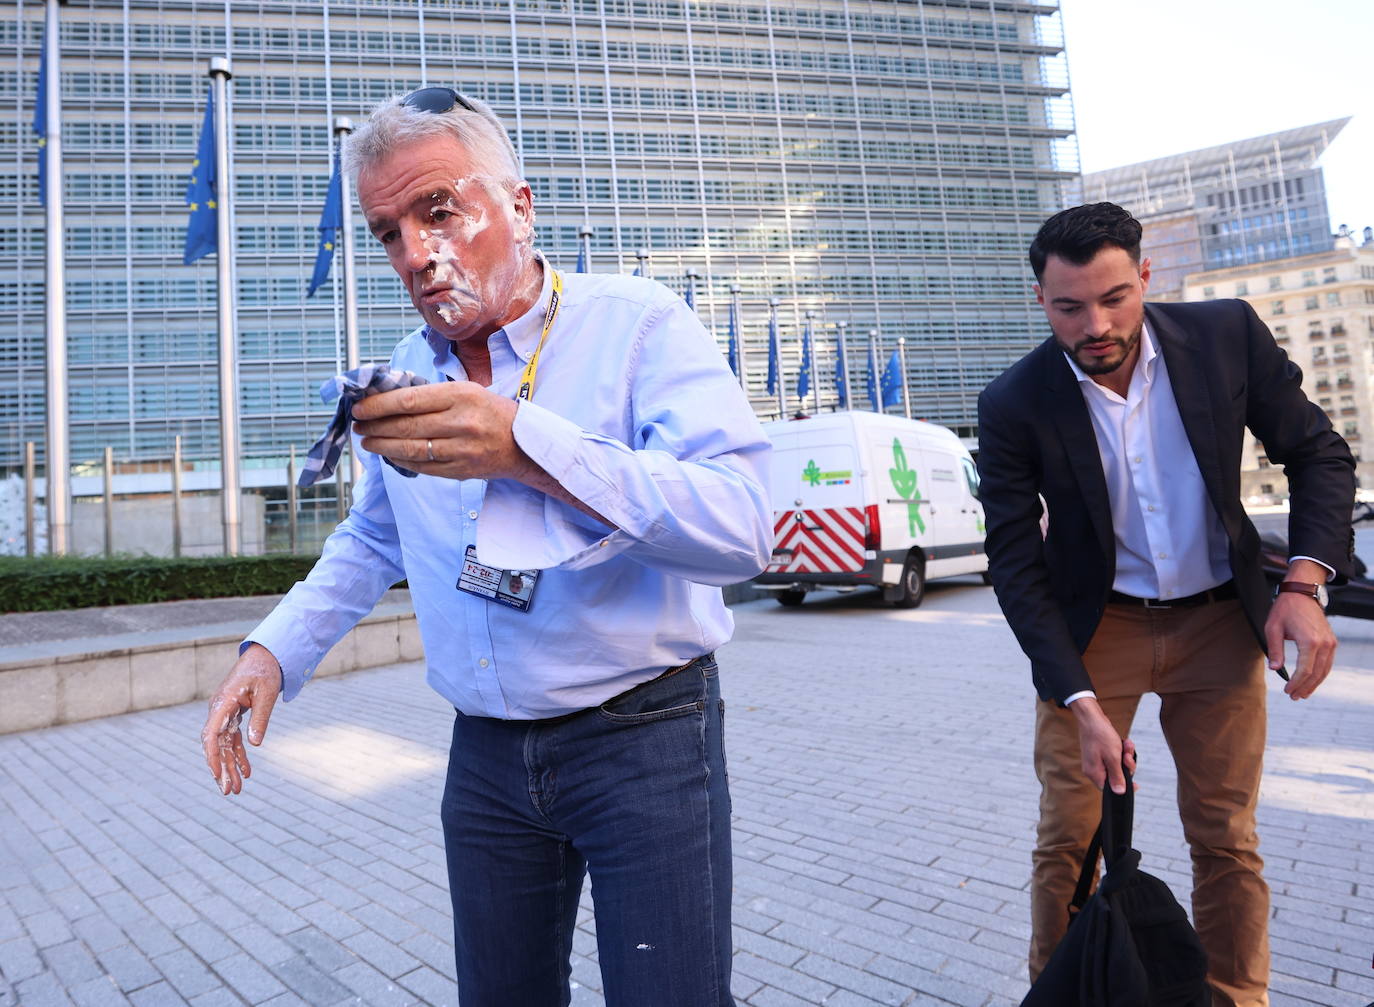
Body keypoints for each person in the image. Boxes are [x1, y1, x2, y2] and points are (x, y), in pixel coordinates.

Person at [199, 87, 771, 1007]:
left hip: (645, 735)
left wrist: (530, 450)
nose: (419, 254)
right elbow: (374, 531)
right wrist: (273, 649)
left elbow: (745, 525)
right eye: (389, 232)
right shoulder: (407, 367)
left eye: (439, 211)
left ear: (519, 204)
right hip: (487, 762)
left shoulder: (638, 325)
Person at [976, 202, 1355, 1005]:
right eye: (1069, 306)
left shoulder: (1224, 337)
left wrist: (1304, 586)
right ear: (1038, 300)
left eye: (1114, 296)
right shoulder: (1014, 402)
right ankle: (1066, 996)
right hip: (1098, 631)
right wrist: (1076, 698)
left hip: (1220, 622)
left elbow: (1317, 452)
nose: (1096, 323)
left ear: (1145, 276)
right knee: (1069, 842)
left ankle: (1232, 998)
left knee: (1225, 840)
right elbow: (1014, 562)